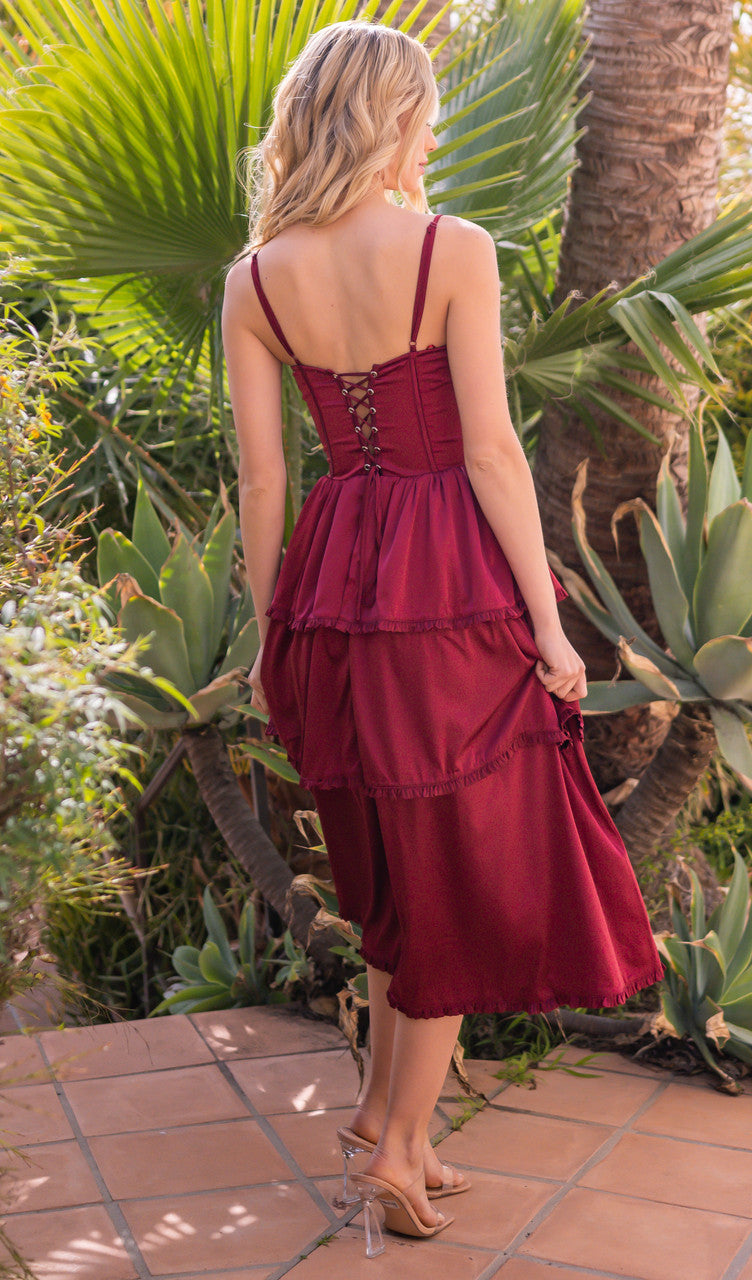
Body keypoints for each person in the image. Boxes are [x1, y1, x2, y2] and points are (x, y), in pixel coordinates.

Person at [222, 19, 663, 1257]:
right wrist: (544, 618)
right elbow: (487, 451)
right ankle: (402, 1154)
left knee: (390, 864)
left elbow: (265, 480)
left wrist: (273, 635)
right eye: (426, 113)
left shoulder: (252, 279)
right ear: (390, 118)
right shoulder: (449, 249)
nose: (435, 134)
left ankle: (378, 1115)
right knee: (457, 870)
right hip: (447, 587)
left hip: (329, 589)